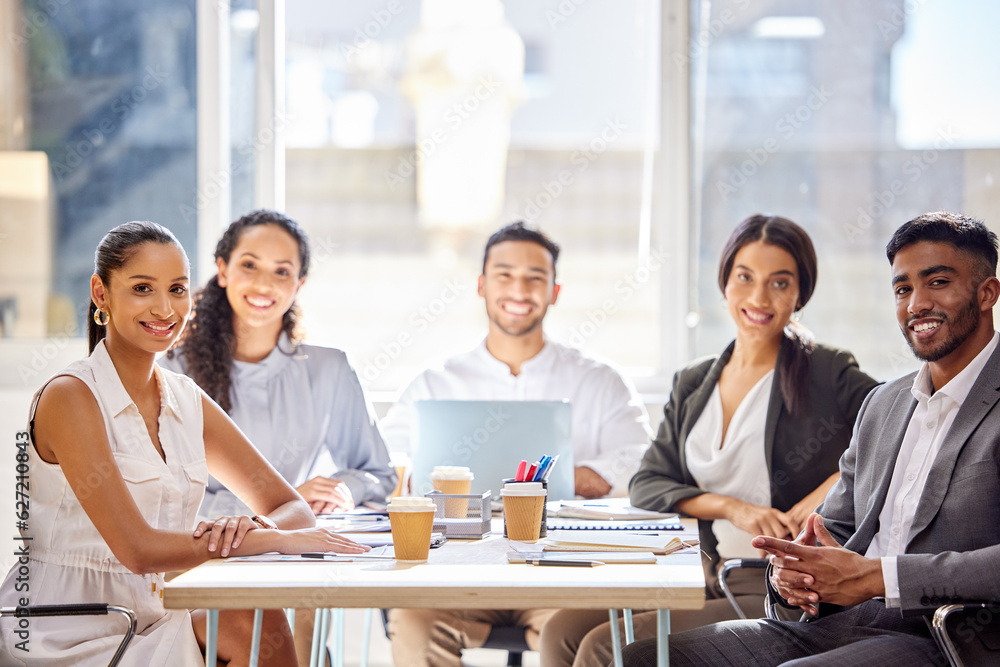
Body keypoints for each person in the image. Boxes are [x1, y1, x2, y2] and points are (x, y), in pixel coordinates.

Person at [621, 211, 1000, 666]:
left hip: (948, 638)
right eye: (903, 289)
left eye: (937, 282)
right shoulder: (885, 404)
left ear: (986, 293)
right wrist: (792, 570)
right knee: (644, 657)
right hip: (841, 621)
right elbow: (834, 528)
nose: (916, 303)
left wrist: (881, 578)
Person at [0, 221, 367, 666]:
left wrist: (248, 526)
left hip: (151, 618)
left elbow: (292, 508)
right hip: (65, 631)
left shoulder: (185, 399)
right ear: (101, 294)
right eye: (141, 288)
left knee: (253, 617)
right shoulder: (71, 396)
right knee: (249, 620)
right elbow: (138, 550)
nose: (163, 308)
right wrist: (267, 542)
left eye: (176, 289)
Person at [539, 214, 879, 667]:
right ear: (725, 283)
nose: (759, 297)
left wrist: (827, 494)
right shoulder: (695, 381)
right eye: (745, 277)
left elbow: (896, 435)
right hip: (697, 572)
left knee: (605, 647)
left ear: (801, 294)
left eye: (780, 283)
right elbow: (649, 483)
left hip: (771, 585)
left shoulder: (827, 372)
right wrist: (732, 507)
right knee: (560, 631)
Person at [381, 221, 653, 667]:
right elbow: (389, 461)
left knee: (585, 633)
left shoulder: (599, 380)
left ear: (555, 291)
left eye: (535, 278)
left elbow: (641, 461)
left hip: (561, 570)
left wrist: (576, 479)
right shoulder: (435, 381)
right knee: (413, 623)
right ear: (482, 285)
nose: (519, 290)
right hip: (458, 571)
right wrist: (413, 476)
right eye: (504, 275)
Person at [160, 209, 395, 666]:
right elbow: (165, 502)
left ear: (299, 284)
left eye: (282, 271)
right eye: (249, 265)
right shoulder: (173, 371)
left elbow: (378, 473)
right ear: (223, 269)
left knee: (306, 609)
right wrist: (283, 503)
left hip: (292, 553)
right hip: (203, 560)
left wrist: (339, 488)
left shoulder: (328, 369)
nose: (264, 284)